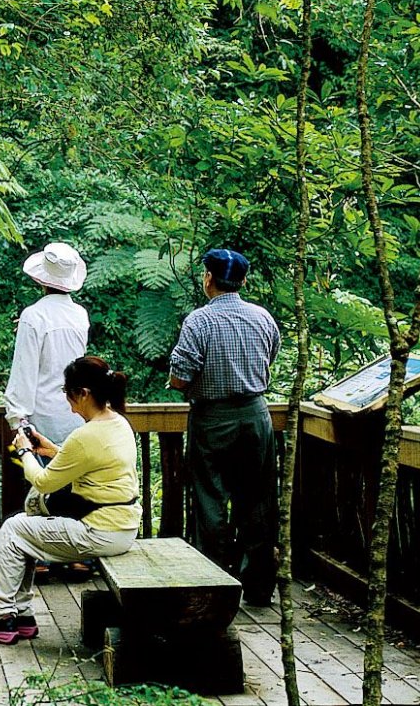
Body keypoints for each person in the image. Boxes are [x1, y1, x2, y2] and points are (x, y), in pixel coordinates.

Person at [0, 356, 141, 644]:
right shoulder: (118, 423)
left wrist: (25, 451)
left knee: (14, 529)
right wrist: (48, 449)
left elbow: (44, 481)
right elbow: (88, 460)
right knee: (23, 529)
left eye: (67, 393)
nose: (67, 401)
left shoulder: (86, 435)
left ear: (83, 393)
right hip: (123, 528)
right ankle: (20, 616)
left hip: (98, 532)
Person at [169, 248, 281, 607]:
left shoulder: (198, 322)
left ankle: (215, 585)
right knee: (259, 499)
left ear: (208, 279)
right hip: (255, 414)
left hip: (212, 418)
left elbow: (179, 377)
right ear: (243, 280)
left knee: (210, 500)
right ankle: (260, 586)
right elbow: (270, 358)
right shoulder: (263, 318)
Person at [4, 242, 89, 445]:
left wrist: (17, 419)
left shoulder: (33, 316)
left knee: (44, 477)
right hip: (76, 415)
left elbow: (23, 373)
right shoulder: (80, 315)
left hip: (41, 423)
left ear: (42, 279)